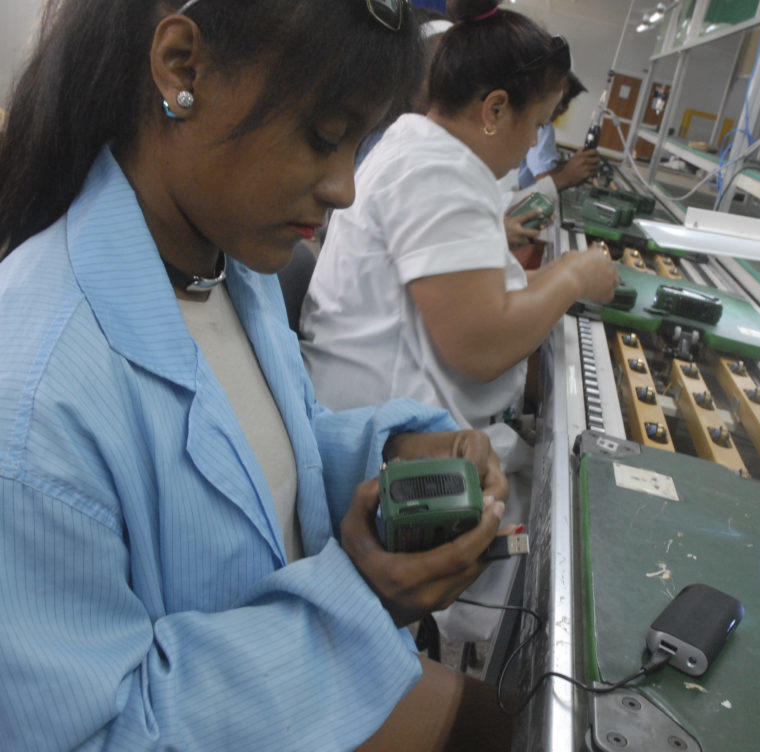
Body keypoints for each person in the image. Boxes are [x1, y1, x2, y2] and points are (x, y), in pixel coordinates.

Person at [0, 1, 516, 750]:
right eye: (324, 137)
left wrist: (397, 454)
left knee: (517, 723)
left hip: (293, 689)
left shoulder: (223, 268)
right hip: (265, 702)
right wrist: (357, 605)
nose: (344, 187)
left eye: (358, 143)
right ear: (184, 69)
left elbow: (267, 450)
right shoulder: (33, 402)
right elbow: (96, 736)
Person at [300, 0, 618, 439]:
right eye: (536, 124)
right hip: (381, 443)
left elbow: (486, 297)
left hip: (383, 418)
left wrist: (566, 273)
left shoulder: (427, 147)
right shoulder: (439, 173)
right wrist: (573, 279)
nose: (531, 145)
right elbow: (482, 346)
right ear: (495, 110)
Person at [516, 72, 600, 196]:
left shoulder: (537, 121)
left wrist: (573, 165)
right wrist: (569, 176)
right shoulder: (544, 126)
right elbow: (544, 177)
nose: (534, 141)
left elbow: (545, 168)